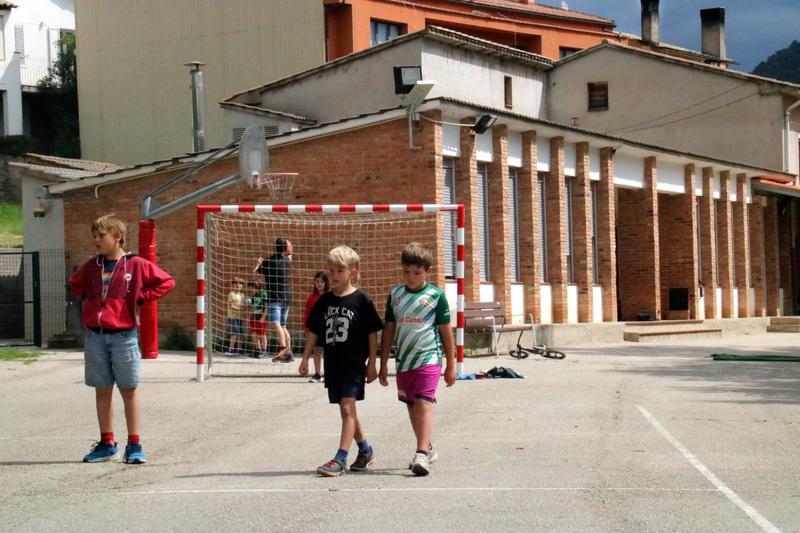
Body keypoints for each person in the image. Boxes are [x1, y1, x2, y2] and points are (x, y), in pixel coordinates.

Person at [68, 214, 174, 464]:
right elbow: (75, 283)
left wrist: (141, 297)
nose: (96, 240)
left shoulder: (136, 264)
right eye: (94, 235)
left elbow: (167, 282)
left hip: (124, 336)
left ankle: (134, 444)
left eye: (101, 235)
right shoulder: (91, 265)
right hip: (95, 336)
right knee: (102, 390)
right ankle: (107, 443)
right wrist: (91, 301)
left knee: (129, 389)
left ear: (118, 237)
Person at [299, 246, 383, 476]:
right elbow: (314, 332)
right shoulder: (324, 301)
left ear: (352, 272)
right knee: (347, 410)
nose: (333, 275)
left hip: (353, 363)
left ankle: (340, 459)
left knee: (347, 408)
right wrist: (305, 358)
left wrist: (373, 363)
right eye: (331, 270)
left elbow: (372, 332)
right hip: (332, 364)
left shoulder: (361, 299)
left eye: (339, 270)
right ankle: (365, 450)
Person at [379, 242, 455, 476]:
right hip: (404, 361)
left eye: (417, 273)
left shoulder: (436, 296)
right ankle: (428, 447)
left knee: (423, 403)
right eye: (406, 272)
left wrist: (451, 365)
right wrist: (382, 364)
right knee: (412, 407)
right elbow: (389, 330)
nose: (411, 277)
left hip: (429, 358)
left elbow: (445, 332)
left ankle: (421, 453)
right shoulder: (395, 296)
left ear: (427, 271)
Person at [254, 238, 293, 362]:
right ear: (285, 249)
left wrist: (258, 263)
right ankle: (289, 353)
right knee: (283, 325)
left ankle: (282, 348)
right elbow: (289, 255)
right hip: (286, 297)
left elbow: (256, 272)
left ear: (274, 247)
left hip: (275, 297)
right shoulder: (287, 261)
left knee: (276, 323)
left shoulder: (268, 262)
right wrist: (290, 251)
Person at [302, 271, 329, 382]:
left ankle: (329, 374)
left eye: (321, 282)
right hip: (315, 330)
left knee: (329, 352)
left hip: (328, 329)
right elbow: (307, 315)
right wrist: (307, 329)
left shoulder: (331, 296)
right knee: (316, 351)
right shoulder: (311, 298)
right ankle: (318, 374)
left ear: (326, 283)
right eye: (317, 282)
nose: (319, 284)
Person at [248, 281, 270, 358]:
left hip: (262, 318)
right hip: (254, 317)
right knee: (253, 333)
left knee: (262, 334)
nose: (250, 290)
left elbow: (267, 306)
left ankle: (264, 351)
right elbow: (253, 307)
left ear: (257, 287)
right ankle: (258, 349)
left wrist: (263, 317)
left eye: (252, 288)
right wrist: (249, 317)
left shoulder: (264, 294)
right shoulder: (254, 295)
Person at [225, 277, 246, 356]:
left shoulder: (242, 295)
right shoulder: (231, 294)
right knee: (235, 332)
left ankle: (239, 349)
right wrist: (241, 309)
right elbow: (231, 306)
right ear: (233, 285)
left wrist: (247, 306)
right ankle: (231, 349)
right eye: (236, 283)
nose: (238, 285)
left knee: (241, 333)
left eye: (240, 284)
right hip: (233, 317)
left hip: (240, 317)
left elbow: (244, 305)